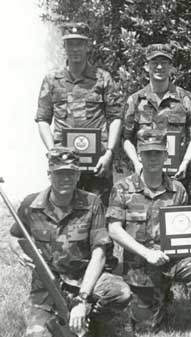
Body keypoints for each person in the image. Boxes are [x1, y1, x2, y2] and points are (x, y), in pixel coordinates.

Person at [9, 147, 131, 337]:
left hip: (85, 279)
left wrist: (82, 300)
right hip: (47, 286)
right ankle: (72, 327)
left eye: (70, 173)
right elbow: (14, 236)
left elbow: (99, 254)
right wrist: (18, 249)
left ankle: (92, 323)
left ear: (77, 175)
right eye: (59, 173)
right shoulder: (31, 204)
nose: (64, 178)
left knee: (119, 292)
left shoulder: (92, 203)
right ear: (49, 174)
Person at [107, 129, 191, 337]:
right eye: (148, 154)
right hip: (141, 267)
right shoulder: (123, 188)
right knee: (147, 328)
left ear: (166, 155)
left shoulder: (178, 189)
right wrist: (146, 253)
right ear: (139, 155)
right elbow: (114, 230)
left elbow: (189, 229)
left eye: (158, 153)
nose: (153, 158)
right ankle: (162, 298)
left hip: (174, 260)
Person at [35, 22, 122, 206]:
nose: (75, 49)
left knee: (101, 211)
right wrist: (52, 150)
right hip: (64, 162)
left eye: (80, 43)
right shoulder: (52, 80)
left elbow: (115, 117)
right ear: (64, 46)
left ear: (87, 45)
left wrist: (109, 152)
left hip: (98, 162)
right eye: (70, 44)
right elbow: (43, 119)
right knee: (64, 214)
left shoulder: (103, 78)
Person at [122, 43, 191, 201]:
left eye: (164, 63)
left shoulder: (186, 99)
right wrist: (137, 164)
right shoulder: (135, 100)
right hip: (145, 178)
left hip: (179, 178)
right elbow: (126, 139)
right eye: (154, 62)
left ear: (171, 67)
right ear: (146, 66)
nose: (159, 67)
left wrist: (185, 162)